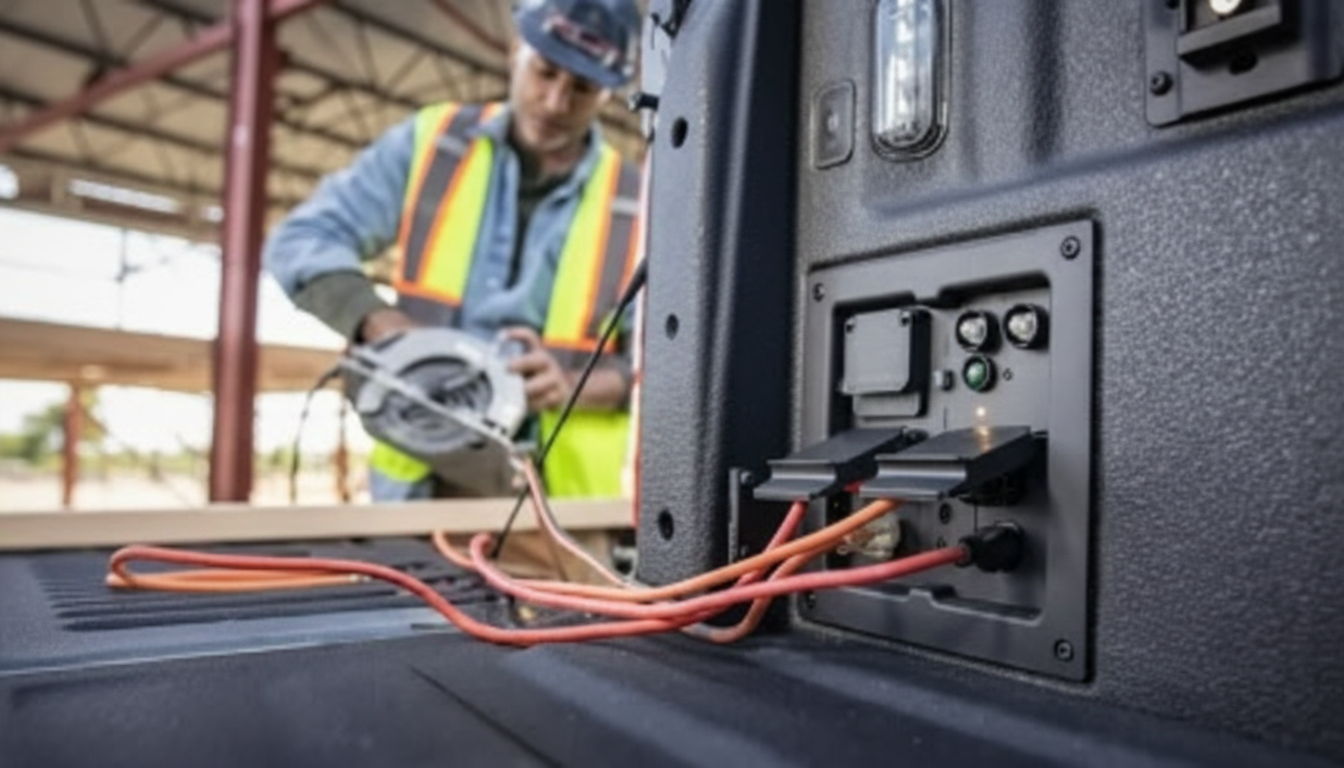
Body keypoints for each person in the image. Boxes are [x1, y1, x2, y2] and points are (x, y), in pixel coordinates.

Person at [264, 0, 643, 504]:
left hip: (555, 505)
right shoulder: (434, 144)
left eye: (582, 88)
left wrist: (571, 385)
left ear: (608, 94)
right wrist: (380, 323)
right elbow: (301, 239)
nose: (556, 102)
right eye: (545, 72)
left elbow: (660, 366)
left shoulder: (638, 202)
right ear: (515, 50)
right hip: (417, 485)